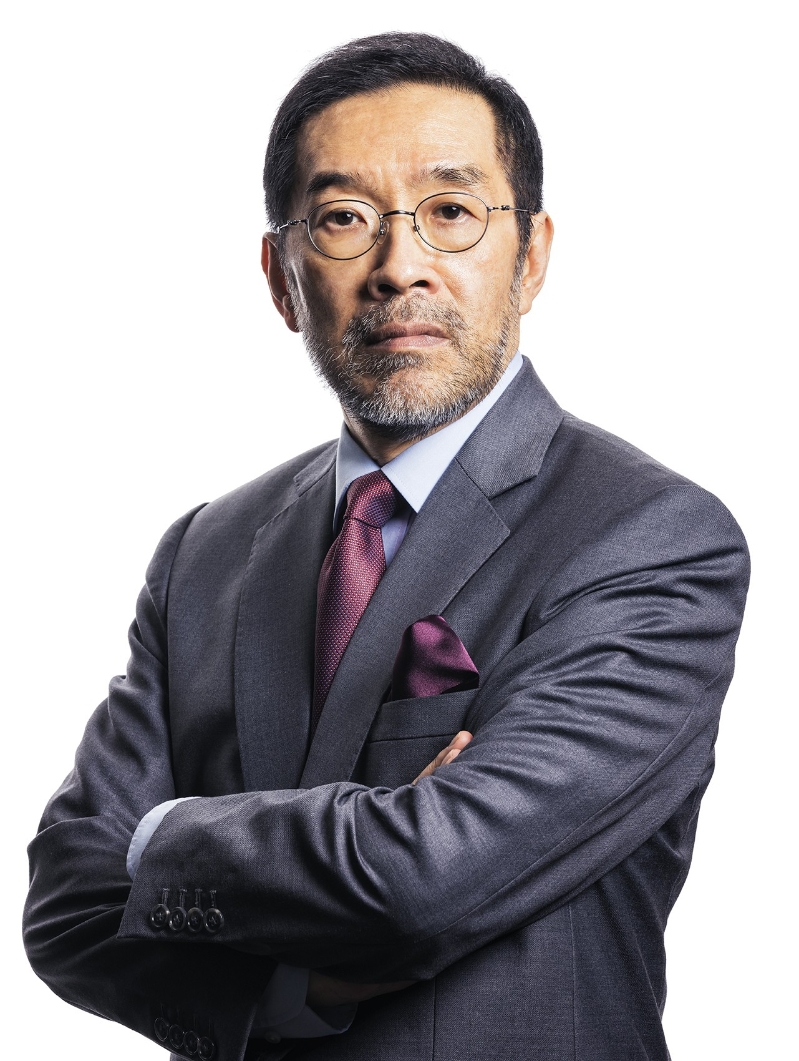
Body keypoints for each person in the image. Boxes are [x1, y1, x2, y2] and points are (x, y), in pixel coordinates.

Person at [23, 31, 749, 1061]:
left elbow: (421, 879)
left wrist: (157, 835)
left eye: (451, 212)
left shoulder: (650, 537)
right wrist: (290, 990)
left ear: (531, 256)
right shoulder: (205, 552)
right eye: (343, 219)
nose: (399, 266)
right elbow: (66, 903)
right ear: (281, 278)